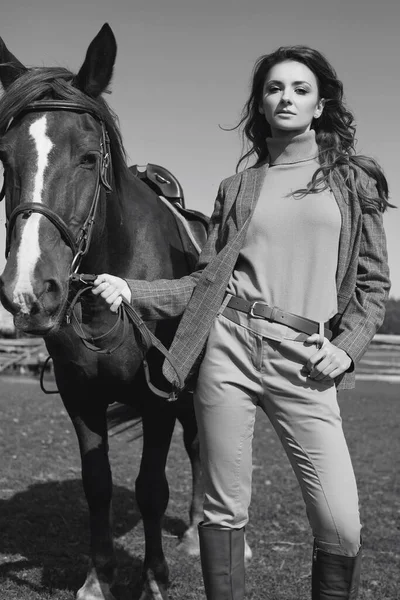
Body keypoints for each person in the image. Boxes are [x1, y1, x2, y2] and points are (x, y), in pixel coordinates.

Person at [92, 45, 391, 599]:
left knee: (341, 524)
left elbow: (373, 286)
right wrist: (132, 287)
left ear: (321, 104)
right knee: (223, 511)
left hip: (306, 361)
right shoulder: (238, 188)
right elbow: (204, 282)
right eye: (275, 88)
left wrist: (347, 347)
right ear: (260, 101)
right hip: (229, 349)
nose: (287, 97)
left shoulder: (353, 181)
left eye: (301, 89)